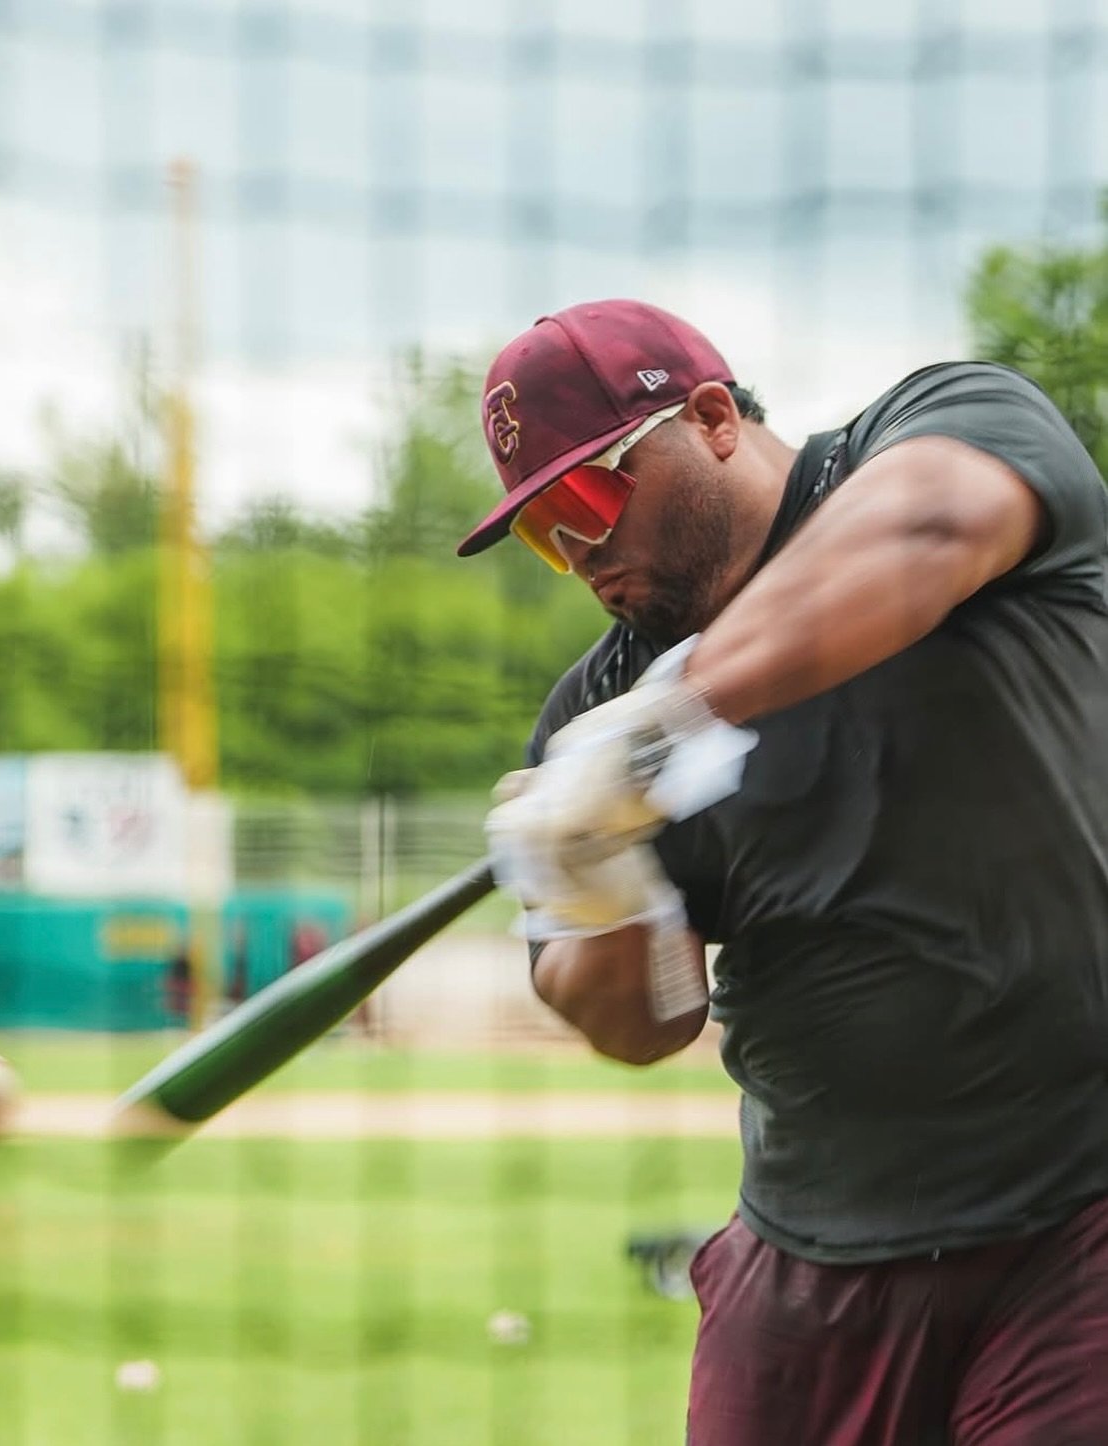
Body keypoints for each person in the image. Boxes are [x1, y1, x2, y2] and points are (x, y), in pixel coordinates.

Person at [456, 298, 1108, 1446]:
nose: (578, 555)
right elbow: (646, 1024)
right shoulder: (592, 711)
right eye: (540, 534)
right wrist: (596, 888)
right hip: (808, 1252)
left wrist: (663, 725)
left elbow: (931, 530)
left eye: (587, 500)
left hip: (1077, 1219)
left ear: (711, 419)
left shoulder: (947, 423)